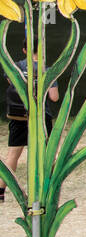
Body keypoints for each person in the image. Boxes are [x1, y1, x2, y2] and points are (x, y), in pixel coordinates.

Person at [2, 49, 59, 204]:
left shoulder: (17, 66)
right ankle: (46, 190)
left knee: (13, 155)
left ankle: (1, 191)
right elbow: (54, 97)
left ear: (24, 50)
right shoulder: (47, 70)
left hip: (19, 115)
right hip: (41, 117)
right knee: (46, 155)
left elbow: (11, 82)